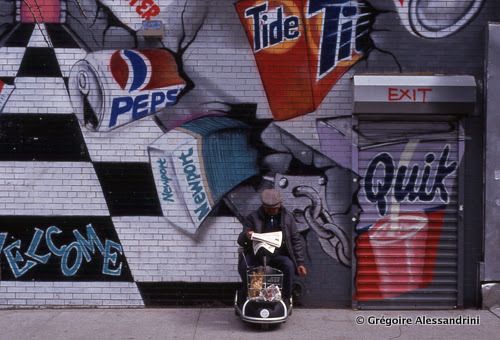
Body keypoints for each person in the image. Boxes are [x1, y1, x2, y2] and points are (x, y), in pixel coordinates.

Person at [237, 188, 307, 303]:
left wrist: (300, 263)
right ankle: (253, 296)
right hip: (257, 255)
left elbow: (295, 241)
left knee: (288, 266)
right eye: (268, 209)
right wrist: (247, 235)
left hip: (277, 255)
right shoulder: (253, 217)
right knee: (245, 267)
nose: (271, 211)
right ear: (263, 207)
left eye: (273, 209)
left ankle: (284, 299)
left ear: (280, 205)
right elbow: (240, 240)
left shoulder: (288, 218)